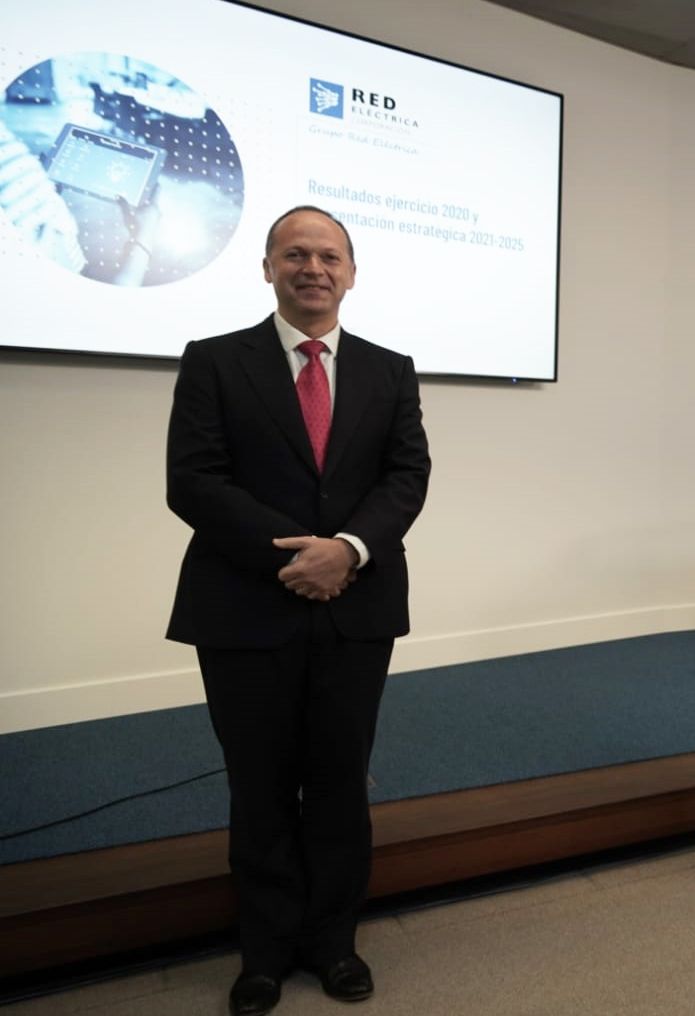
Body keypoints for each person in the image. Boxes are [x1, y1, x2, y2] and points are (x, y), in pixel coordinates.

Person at [166, 205, 430, 1015]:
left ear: (351, 272)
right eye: (295, 254)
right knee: (261, 783)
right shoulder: (214, 361)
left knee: (340, 780)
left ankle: (333, 941)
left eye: (329, 256)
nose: (313, 267)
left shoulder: (391, 369)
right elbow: (194, 480)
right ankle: (265, 951)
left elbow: (406, 476)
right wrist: (298, 556)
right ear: (268, 267)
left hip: (357, 605)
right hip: (245, 604)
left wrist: (347, 549)